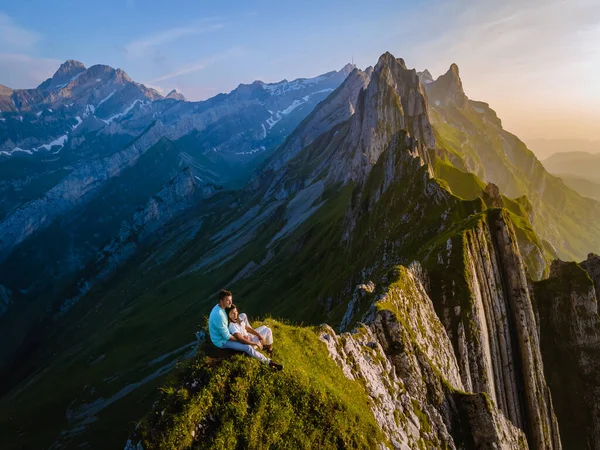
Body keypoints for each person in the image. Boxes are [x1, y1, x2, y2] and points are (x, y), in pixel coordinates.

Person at [208, 289, 283, 370]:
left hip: (227, 330)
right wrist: (244, 339)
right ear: (221, 301)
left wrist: (248, 334)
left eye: (231, 300)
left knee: (243, 316)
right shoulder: (220, 316)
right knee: (247, 347)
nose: (230, 302)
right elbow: (227, 336)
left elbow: (232, 314)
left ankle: (263, 345)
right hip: (221, 341)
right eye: (227, 300)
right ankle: (269, 362)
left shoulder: (221, 307)